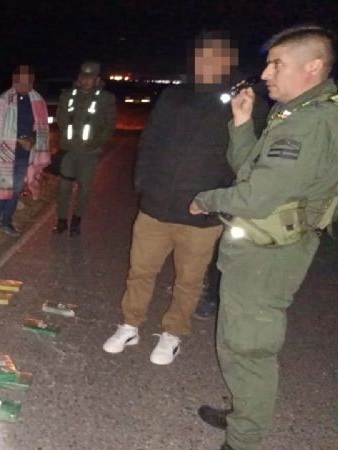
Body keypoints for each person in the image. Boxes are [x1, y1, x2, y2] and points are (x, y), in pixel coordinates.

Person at [190, 26, 338, 450]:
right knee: (237, 340)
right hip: (262, 248)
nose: (266, 72)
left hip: (268, 255)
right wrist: (241, 123)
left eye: (277, 63)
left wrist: (204, 199)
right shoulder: (296, 112)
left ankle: (244, 440)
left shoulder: (309, 124)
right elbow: (251, 171)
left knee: (249, 349)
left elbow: (253, 196)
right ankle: (244, 413)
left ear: (313, 67)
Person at [102, 33, 268, 365]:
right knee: (140, 271)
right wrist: (142, 182)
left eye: (216, 57)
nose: (208, 63)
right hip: (155, 207)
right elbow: (150, 140)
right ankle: (130, 324)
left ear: (228, 62)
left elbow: (248, 160)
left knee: (189, 281)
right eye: (203, 56)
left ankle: (172, 334)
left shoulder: (244, 103)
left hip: (202, 215)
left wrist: (221, 201)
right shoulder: (173, 96)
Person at [0, 64, 50, 237]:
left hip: (24, 155)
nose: (24, 85)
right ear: (14, 80)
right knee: (1, 190)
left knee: (15, 191)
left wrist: (32, 142)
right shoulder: (3, 101)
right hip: (3, 155)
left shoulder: (38, 101)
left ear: (33, 81)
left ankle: (7, 222)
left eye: (28, 81)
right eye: (21, 81)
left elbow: (41, 128)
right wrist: (19, 141)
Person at [53, 61, 116, 236]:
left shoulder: (106, 99)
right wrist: (67, 139)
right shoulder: (67, 96)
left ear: (97, 79)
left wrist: (97, 143)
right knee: (64, 188)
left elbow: (109, 126)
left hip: (90, 154)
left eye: (90, 78)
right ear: (78, 78)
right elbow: (61, 119)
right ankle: (62, 221)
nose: (86, 81)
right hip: (69, 152)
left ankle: (77, 221)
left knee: (85, 189)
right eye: (83, 77)